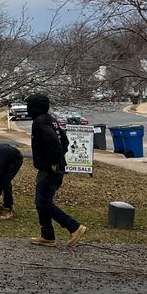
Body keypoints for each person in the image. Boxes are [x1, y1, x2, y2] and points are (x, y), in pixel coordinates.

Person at [25, 93, 86, 247]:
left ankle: (74, 227)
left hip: (50, 168)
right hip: (53, 166)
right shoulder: (50, 120)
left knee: (44, 202)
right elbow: (64, 141)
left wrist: (53, 162)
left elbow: (54, 143)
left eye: (29, 106)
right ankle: (47, 236)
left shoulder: (40, 122)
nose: (27, 109)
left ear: (34, 107)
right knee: (41, 202)